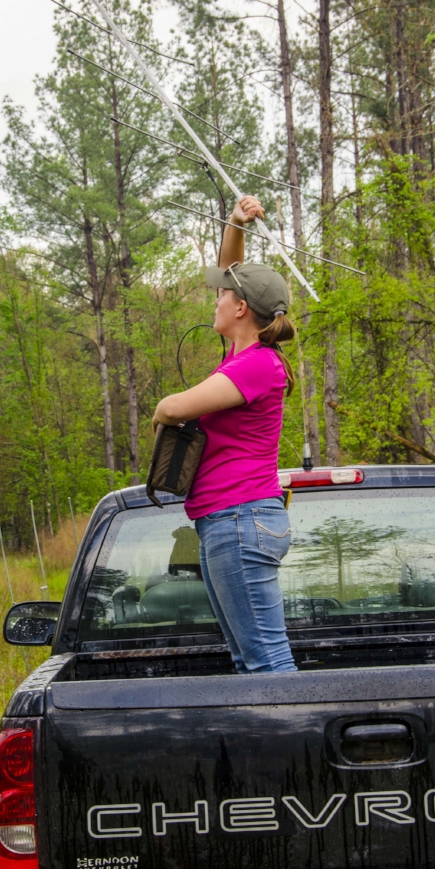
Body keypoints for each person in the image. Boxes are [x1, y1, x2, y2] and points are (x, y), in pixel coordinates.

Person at [152, 194, 297, 674]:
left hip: (240, 521)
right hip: (228, 522)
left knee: (267, 662)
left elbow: (174, 407)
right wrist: (236, 223)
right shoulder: (242, 354)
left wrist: (161, 411)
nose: (215, 299)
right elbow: (231, 269)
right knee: (248, 659)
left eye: (222, 295)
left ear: (240, 310)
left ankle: (299, 745)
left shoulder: (258, 365)